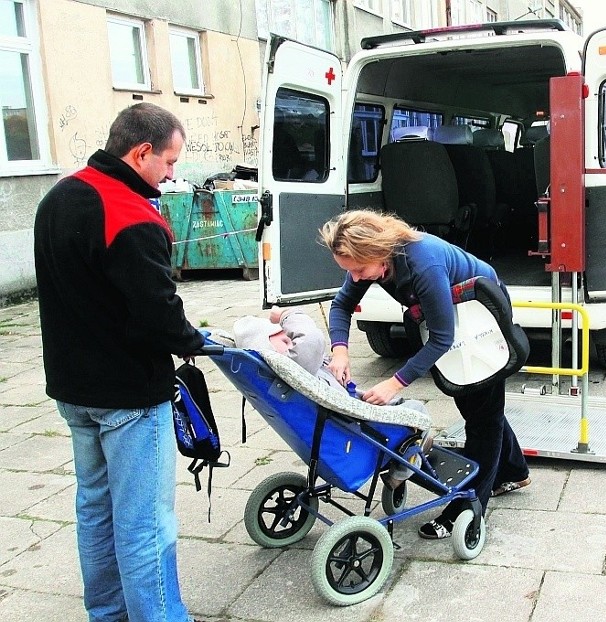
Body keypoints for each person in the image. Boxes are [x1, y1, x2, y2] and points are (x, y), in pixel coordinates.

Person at [34, 103, 205, 622]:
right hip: (128, 393)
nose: (172, 174)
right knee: (145, 522)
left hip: (73, 388)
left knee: (95, 510)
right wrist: (195, 340)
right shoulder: (129, 213)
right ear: (141, 152)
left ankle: (107, 614)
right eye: (170, 162)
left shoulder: (59, 196)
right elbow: (159, 317)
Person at [319, 209, 530, 540]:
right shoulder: (370, 261)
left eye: (359, 270)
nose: (356, 278)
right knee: (480, 406)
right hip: (454, 314)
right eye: (350, 271)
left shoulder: (423, 262)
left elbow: (442, 338)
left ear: (377, 250)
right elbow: (342, 304)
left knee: (481, 416)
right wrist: (340, 349)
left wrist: (394, 383)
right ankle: (514, 471)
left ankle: (468, 509)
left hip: (481, 314)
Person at [231, 306, 430, 487]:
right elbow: (312, 342)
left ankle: (407, 454)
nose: (291, 340)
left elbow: (315, 356)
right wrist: (288, 315)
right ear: (271, 352)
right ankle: (401, 471)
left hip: (340, 413)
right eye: (285, 340)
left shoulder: (285, 374)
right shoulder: (291, 365)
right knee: (415, 410)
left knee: (396, 404)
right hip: (355, 424)